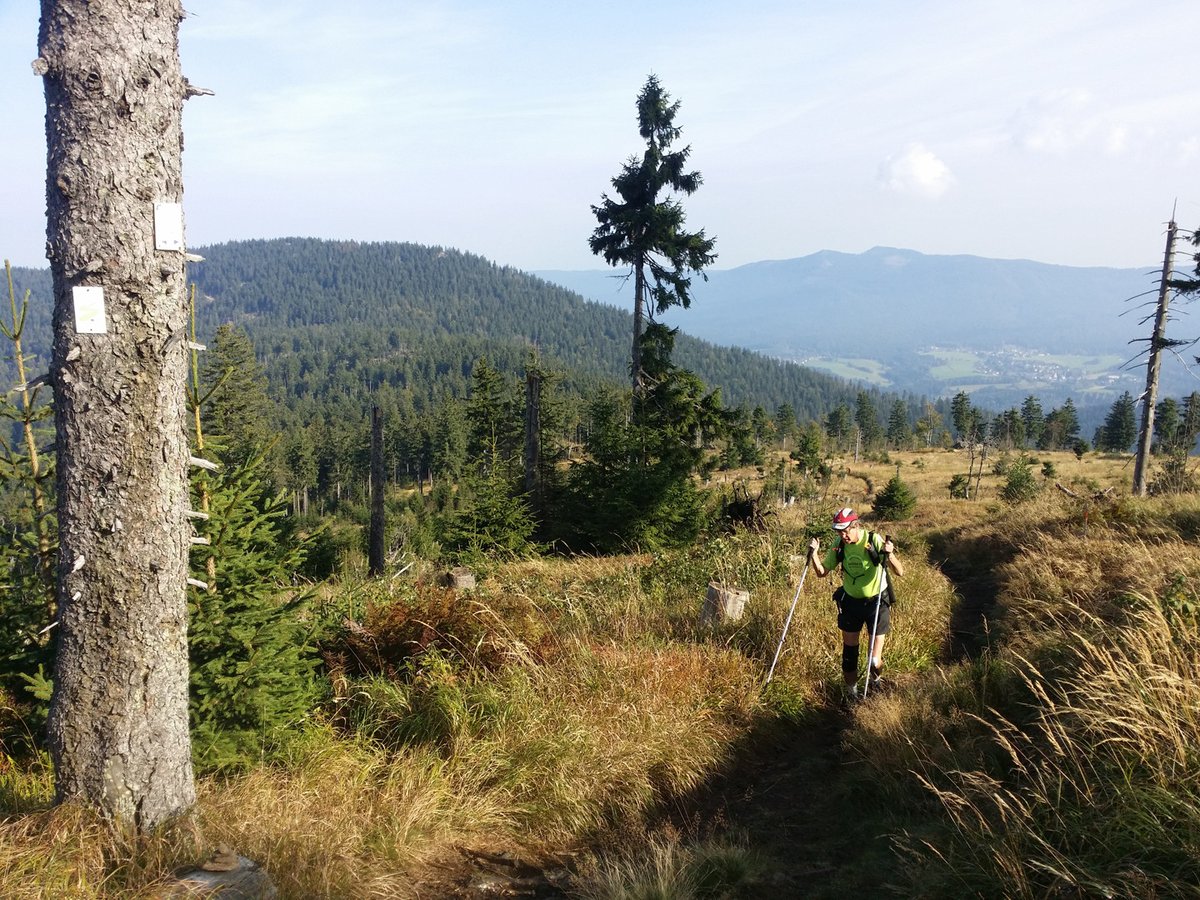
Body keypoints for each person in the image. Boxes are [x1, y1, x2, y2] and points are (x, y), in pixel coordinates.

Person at [808, 507, 904, 700]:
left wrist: (890, 554)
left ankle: (876, 681)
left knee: (873, 660)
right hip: (851, 603)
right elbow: (821, 572)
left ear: (855, 526)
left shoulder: (873, 540)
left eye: (845, 530)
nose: (842, 535)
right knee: (849, 656)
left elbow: (899, 571)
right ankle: (852, 694)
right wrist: (814, 554)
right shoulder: (839, 544)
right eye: (838, 531)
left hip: (877, 601)